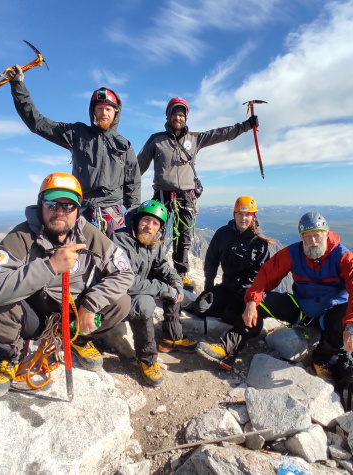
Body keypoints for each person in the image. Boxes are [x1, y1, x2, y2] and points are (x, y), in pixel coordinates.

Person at [0, 172, 133, 398]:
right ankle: (8, 357)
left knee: (121, 302)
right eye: (52, 204)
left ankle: (79, 339)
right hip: (32, 314)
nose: (60, 212)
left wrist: (90, 304)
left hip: (72, 312)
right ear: (41, 206)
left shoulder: (89, 234)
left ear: (78, 210)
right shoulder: (21, 237)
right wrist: (49, 267)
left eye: (69, 206)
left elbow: (124, 272)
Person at [196, 211, 353, 372]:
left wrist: (352, 325)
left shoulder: (343, 257)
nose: (312, 242)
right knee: (257, 301)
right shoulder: (294, 252)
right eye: (307, 237)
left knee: (346, 315)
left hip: (329, 314)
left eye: (317, 235)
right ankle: (229, 347)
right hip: (299, 309)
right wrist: (251, 302)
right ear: (301, 237)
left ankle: (319, 362)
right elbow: (266, 275)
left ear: (326, 233)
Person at [137, 98, 258, 288]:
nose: (178, 117)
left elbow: (221, 134)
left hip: (186, 196)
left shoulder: (194, 139)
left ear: (185, 118)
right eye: (174, 114)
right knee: (154, 234)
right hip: (162, 195)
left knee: (183, 237)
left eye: (181, 114)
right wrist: (127, 185)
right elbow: (138, 167)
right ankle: (151, 269)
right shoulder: (157, 140)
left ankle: (180, 273)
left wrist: (244, 126)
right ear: (168, 116)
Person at [7, 65, 140, 237]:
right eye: (99, 109)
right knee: (77, 259)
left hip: (113, 213)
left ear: (116, 112)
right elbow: (37, 124)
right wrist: (18, 86)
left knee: (115, 259)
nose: (103, 113)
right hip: (82, 209)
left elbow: (133, 184)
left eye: (108, 109)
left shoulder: (124, 146)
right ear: (93, 112)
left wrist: (132, 216)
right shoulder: (77, 134)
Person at [111, 200, 198, 387]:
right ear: (137, 220)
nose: (149, 226)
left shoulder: (154, 241)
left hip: (139, 288)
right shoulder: (120, 240)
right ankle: (147, 359)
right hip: (118, 294)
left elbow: (161, 266)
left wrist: (175, 282)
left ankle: (171, 337)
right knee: (145, 305)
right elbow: (126, 281)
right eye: (146, 220)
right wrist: (164, 289)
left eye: (155, 223)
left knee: (173, 288)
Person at [193, 196, 272, 355]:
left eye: (248, 214)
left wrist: (251, 301)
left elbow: (263, 276)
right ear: (234, 214)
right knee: (200, 308)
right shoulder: (222, 234)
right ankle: (228, 312)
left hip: (247, 294)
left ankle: (228, 344)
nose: (244, 218)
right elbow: (211, 260)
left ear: (253, 216)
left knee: (253, 325)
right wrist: (209, 288)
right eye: (240, 214)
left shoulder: (260, 242)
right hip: (227, 287)